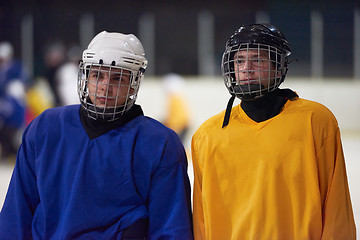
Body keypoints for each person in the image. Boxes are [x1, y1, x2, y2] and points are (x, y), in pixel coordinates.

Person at [0, 31, 193, 239]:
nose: (105, 87)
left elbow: (171, 230)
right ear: (85, 75)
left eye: (118, 77)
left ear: (134, 83)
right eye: (97, 75)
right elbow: (16, 217)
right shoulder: (45, 128)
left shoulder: (160, 144)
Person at [191, 23, 356, 239]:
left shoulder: (315, 121)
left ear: (279, 67)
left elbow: (337, 210)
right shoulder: (207, 135)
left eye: (257, 59)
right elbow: (201, 222)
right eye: (239, 60)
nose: (246, 68)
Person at [0, 41, 30, 162]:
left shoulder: (16, 69)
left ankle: (14, 153)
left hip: (14, 109)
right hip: (6, 106)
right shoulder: (4, 72)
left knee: (15, 132)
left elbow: (24, 85)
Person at [162, 73, 191, 144]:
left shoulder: (175, 100)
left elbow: (176, 121)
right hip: (182, 127)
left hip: (180, 129)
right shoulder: (178, 99)